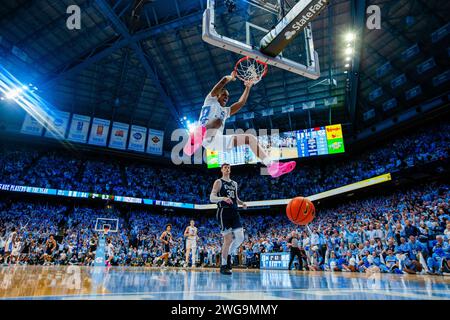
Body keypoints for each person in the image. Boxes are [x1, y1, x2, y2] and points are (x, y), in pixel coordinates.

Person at [184, 71, 296, 178]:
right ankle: (195, 140)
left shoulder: (226, 111)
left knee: (250, 138)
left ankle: (271, 167)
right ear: (217, 95)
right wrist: (230, 78)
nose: (226, 98)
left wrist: (248, 87)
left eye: (227, 97)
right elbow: (222, 81)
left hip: (216, 141)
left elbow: (241, 103)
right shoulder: (210, 100)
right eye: (224, 95)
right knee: (217, 122)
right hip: (204, 134)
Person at [210, 163, 247, 275]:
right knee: (228, 240)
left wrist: (241, 203)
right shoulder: (218, 182)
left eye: (228, 168)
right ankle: (224, 265)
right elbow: (211, 198)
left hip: (234, 212)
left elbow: (235, 198)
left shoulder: (234, 183)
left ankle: (229, 253)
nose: (227, 169)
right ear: (222, 170)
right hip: (223, 212)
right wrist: (223, 198)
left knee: (240, 237)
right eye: (225, 167)